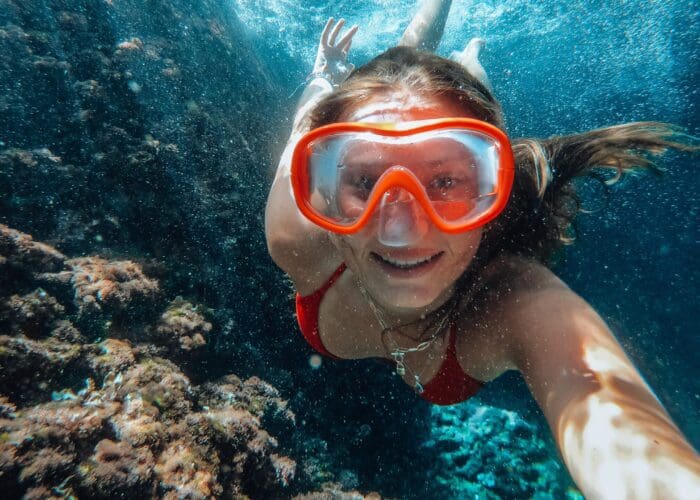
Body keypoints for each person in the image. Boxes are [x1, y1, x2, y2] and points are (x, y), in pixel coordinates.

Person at [265, 1, 700, 497]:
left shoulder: (515, 301)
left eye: (446, 180)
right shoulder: (297, 234)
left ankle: (471, 58)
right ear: (322, 186)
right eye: (365, 180)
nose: (400, 232)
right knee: (400, 74)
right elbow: (305, 126)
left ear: (490, 187)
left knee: (456, 82)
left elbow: (609, 415)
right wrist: (324, 76)